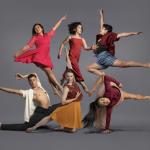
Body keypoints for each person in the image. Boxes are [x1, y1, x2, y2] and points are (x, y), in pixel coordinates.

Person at [14, 15, 67, 97]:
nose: (37, 29)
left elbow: (54, 27)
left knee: (48, 73)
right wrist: (18, 53)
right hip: (38, 56)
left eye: (38, 27)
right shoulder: (35, 38)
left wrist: (61, 19)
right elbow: (27, 46)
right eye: (35, 29)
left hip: (46, 57)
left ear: (42, 28)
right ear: (35, 31)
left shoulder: (48, 35)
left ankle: (54, 90)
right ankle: (59, 87)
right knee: (49, 71)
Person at [86, 9, 150, 76]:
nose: (100, 29)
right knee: (88, 68)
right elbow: (102, 24)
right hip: (99, 58)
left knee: (125, 64)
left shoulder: (109, 35)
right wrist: (101, 15)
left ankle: (146, 65)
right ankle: (103, 75)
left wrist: (134, 33)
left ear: (106, 30)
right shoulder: (101, 37)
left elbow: (122, 34)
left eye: (102, 29)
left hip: (104, 56)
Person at [82, 75, 150, 134]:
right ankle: (147, 97)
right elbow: (108, 117)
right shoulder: (109, 105)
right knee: (133, 96)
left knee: (102, 76)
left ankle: (146, 97)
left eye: (102, 100)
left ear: (103, 97)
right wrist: (106, 129)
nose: (104, 102)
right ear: (104, 106)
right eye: (103, 104)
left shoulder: (107, 90)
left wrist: (118, 83)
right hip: (119, 96)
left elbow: (106, 77)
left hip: (114, 87)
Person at [26, 68, 83, 133]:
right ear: (65, 77)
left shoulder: (75, 84)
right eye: (67, 76)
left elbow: (70, 66)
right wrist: (74, 99)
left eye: (71, 76)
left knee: (73, 130)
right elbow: (63, 102)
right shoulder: (66, 87)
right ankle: (33, 128)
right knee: (50, 117)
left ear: (73, 76)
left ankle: (62, 127)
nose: (69, 78)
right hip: (67, 106)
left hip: (74, 108)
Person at [58, 22, 99, 93]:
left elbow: (86, 47)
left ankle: (63, 79)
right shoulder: (70, 37)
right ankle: (83, 85)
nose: (81, 29)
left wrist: (91, 48)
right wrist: (59, 52)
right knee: (76, 69)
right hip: (71, 56)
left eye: (81, 27)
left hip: (77, 58)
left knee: (70, 69)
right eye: (79, 27)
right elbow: (63, 43)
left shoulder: (82, 39)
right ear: (74, 29)